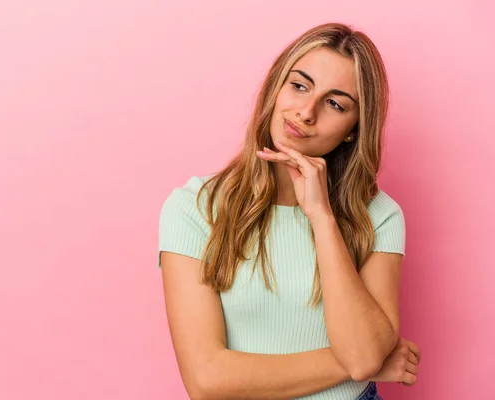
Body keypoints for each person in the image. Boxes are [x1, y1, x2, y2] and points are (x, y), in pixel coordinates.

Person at [157, 22, 421, 400]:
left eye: (335, 103)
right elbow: (207, 380)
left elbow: (363, 357)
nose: (306, 113)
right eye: (299, 86)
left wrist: (321, 216)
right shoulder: (195, 208)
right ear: (275, 88)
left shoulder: (378, 215)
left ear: (353, 129)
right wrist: (361, 362)